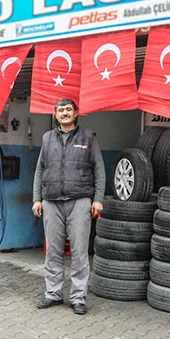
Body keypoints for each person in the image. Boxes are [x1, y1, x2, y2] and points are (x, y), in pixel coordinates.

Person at [32, 98, 105, 315]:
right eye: (60, 110)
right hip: (52, 201)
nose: (64, 113)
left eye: (68, 110)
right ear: (55, 115)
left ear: (76, 113)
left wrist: (98, 199)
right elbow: (39, 170)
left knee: (80, 252)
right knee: (53, 251)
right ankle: (53, 294)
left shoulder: (88, 137)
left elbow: (99, 170)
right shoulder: (47, 138)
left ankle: (78, 298)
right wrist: (37, 198)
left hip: (80, 200)